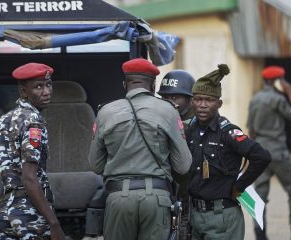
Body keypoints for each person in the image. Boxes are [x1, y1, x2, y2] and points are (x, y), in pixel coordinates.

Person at [89, 58, 192, 240]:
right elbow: (183, 166)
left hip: (118, 199)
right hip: (157, 199)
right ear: (153, 86)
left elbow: (96, 165)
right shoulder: (168, 111)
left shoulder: (105, 112)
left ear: (124, 84)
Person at [0, 63, 66, 240]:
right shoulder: (34, 121)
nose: (46, 91)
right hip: (31, 214)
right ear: (23, 91)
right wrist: (54, 224)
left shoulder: (3, 120)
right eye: (38, 86)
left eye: (48, 84)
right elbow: (28, 177)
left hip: (5, 213)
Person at [186, 64, 271, 240]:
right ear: (191, 101)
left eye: (209, 100)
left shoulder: (228, 132)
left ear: (219, 103)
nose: (202, 105)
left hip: (222, 216)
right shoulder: (191, 129)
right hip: (195, 215)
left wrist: (239, 187)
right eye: (198, 99)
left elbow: (261, 157)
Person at [247, 66, 291, 240]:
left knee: (260, 195)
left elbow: (251, 129)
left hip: (260, 153)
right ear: (277, 81)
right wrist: (288, 91)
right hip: (278, 153)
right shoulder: (278, 99)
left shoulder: (255, 99)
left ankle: (260, 234)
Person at [158, 70, 195, 240]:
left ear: (190, 99)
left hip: (191, 195)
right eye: (165, 98)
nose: (170, 103)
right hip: (166, 193)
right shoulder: (156, 119)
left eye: (176, 98)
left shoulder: (199, 123)